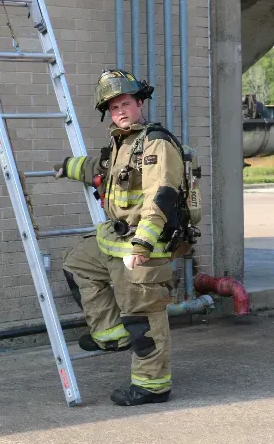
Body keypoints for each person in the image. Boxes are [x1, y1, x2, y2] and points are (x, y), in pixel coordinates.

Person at [56, 69, 186, 406]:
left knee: (143, 319)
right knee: (77, 264)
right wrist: (67, 166)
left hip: (145, 245)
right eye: (113, 108)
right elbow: (100, 170)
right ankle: (111, 335)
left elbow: (162, 195)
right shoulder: (123, 142)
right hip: (117, 239)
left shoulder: (155, 142)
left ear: (140, 102)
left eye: (125, 104)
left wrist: (143, 244)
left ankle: (152, 386)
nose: (120, 111)